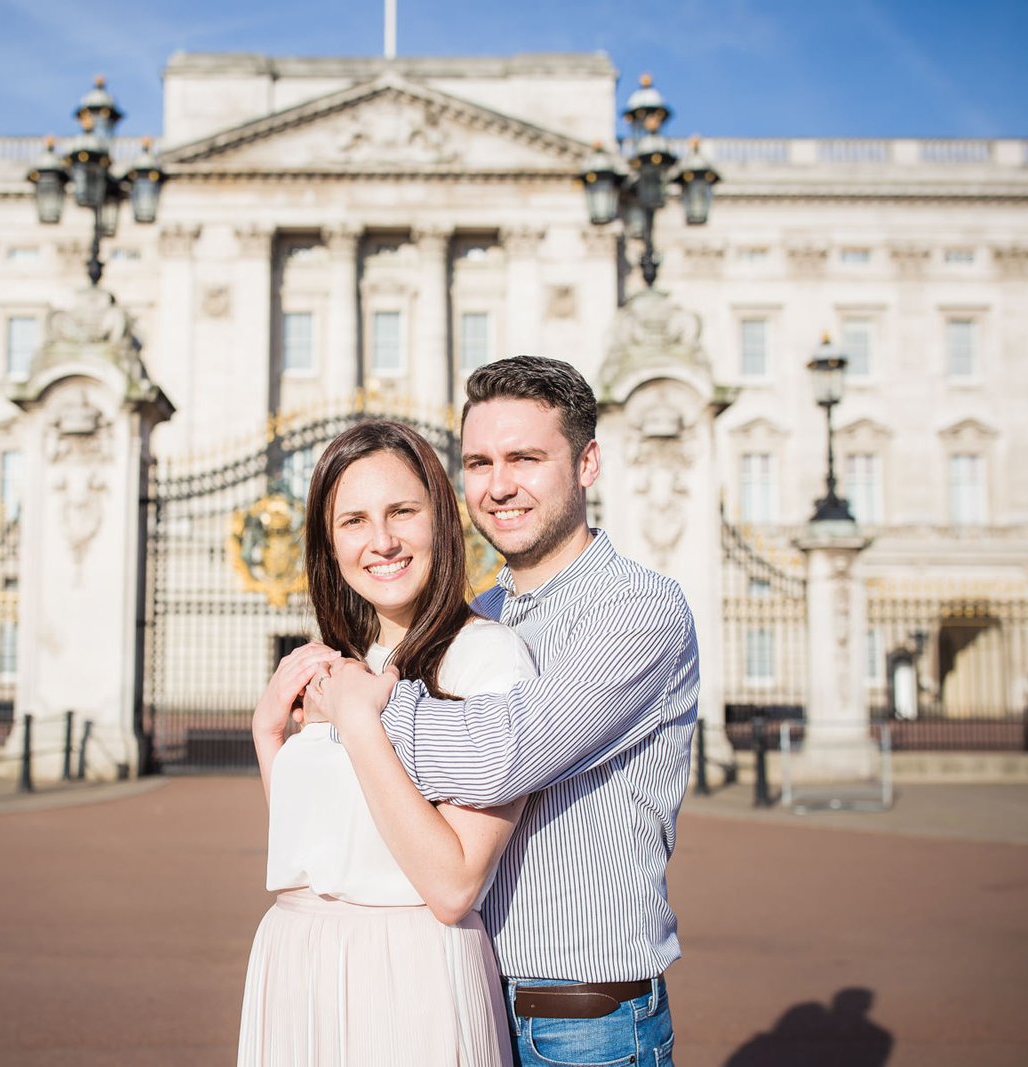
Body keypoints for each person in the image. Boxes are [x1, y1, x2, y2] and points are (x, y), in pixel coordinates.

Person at [308, 355, 700, 1067]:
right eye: (480, 461)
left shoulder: (639, 610)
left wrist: (361, 705)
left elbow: (503, 754)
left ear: (587, 463)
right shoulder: (477, 619)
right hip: (462, 995)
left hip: (584, 1017)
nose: (499, 486)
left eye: (525, 458)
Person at [239, 419, 538, 1067]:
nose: (381, 541)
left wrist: (359, 723)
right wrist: (268, 736)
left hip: (404, 974)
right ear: (328, 542)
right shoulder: (350, 659)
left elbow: (454, 884)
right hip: (295, 962)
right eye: (354, 521)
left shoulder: (488, 659)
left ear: (440, 519)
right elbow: (323, 847)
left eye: (402, 511)